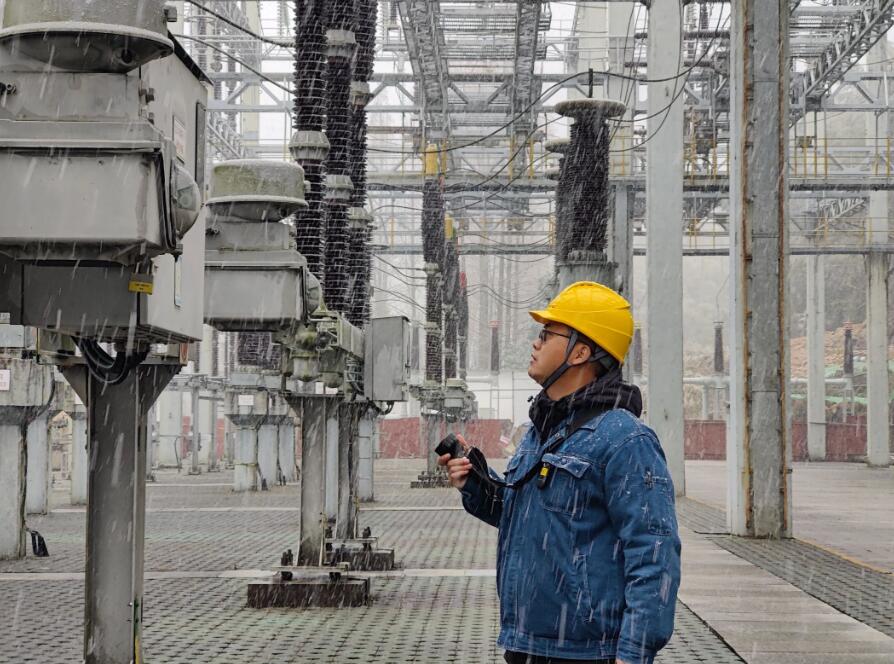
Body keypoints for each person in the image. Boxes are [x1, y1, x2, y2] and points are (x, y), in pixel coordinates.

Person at [439, 281, 681, 664]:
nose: (535, 343)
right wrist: (476, 483)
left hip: (587, 653)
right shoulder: (543, 431)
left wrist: (634, 651)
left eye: (547, 334)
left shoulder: (625, 440)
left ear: (580, 352)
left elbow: (653, 553)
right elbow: (528, 516)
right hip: (527, 645)